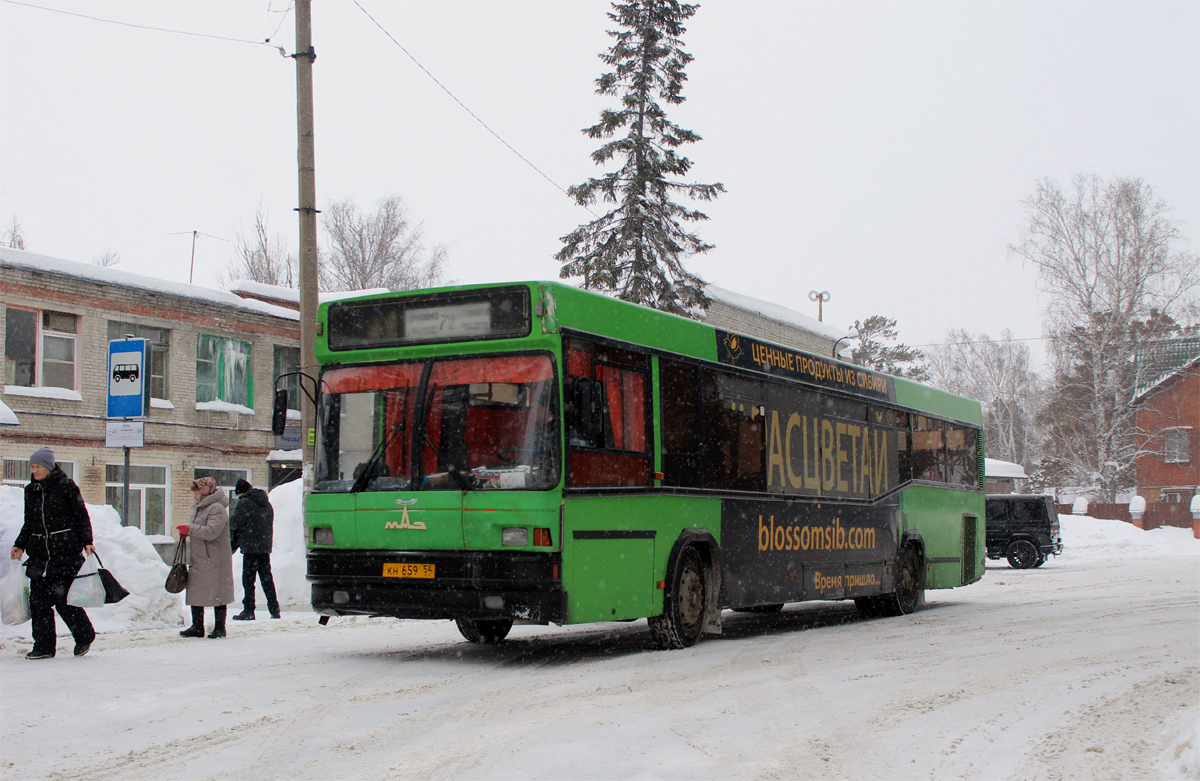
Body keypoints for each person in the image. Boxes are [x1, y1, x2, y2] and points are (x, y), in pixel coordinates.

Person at [10, 447, 96, 659]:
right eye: (32, 466)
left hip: (64, 552)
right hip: (39, 556)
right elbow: (29, 522)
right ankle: (44, 646)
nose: (34, 470)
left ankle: (84, 635)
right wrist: (20, 544)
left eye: (38, 466)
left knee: (64, 601)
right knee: (38, 603)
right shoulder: (31, 490)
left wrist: (87, 541)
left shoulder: (66, 487)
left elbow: (81, 515)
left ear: (48, 466)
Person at [177, 477, 234, 639]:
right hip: (200, 557)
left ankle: (220, 628)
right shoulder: (199, 508)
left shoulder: (217, 508)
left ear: (206, 491)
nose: (195, 496)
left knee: (218, 593)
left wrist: (190, 529)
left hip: (215, 558)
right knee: (196, 591)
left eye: (197, 492)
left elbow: (211, 532)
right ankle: (197, 627)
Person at [229, 478, 280, 620]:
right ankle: (274, 609)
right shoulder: (266, 503)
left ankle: (249, 610)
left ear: (240, 492)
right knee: (266, 578)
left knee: (248, 580)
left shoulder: (244, 503)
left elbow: (235, 523)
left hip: (251, 547)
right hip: (263, 546)